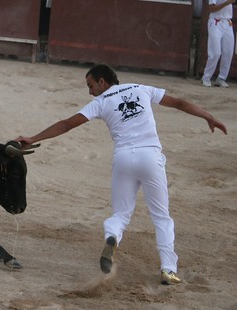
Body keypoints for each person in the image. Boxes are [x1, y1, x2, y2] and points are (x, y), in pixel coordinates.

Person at [15, 64, 227, 285]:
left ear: (102, 82)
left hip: (124, 158)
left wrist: (33, 137)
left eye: (90, 85)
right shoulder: (141, 88)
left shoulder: (100, 102)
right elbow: (180, 103)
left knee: (121, 214)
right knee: (161, 216)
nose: (90, 91)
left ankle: (113, 236)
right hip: (150, 157)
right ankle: (168, 269)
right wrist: (208, 116)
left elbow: (66, 125)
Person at [201, 0, 235, 87]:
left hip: (228, 22)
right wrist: (227, 3)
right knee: (215, 53)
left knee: (228, 53)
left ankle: (221, 78)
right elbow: (211, 8)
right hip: (215, 22)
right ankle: (206, 77)